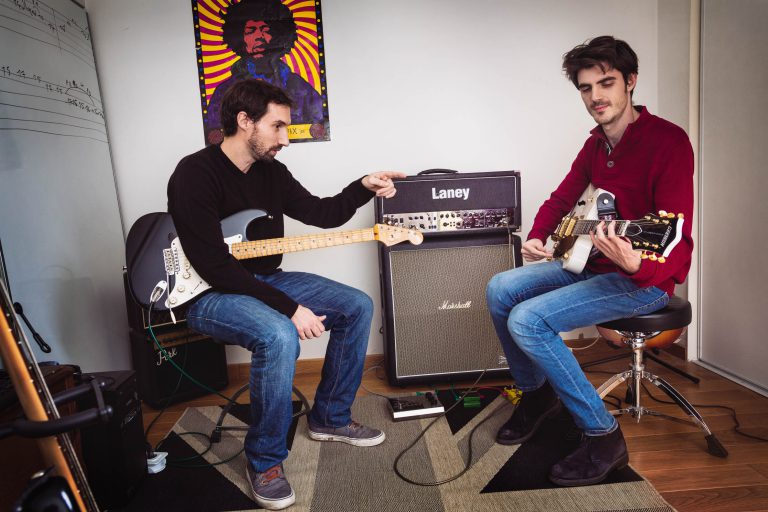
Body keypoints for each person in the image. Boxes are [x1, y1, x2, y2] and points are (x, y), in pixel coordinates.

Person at [168, 79, 404, 510]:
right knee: (279, 334)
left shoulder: (271, 173)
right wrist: (290, 308)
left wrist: (363, 185)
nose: (284, 139)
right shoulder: (194, 174)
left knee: (357, 305)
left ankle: (330, 417)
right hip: (207, 293)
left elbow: (323, 212)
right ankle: (265, 461)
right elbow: (214, 265)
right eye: (277, 127)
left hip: (263, 280)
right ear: (244, 121)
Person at [486, 35, 693, 487]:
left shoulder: (669, 142)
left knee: (527, 320)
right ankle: (537, 395)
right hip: (596, 264)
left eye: (607, 83)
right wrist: (540, 235)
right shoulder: (596, 145)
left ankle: (603, 435)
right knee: (500, 287)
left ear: (630, 82)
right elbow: (562, 197)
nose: (596, 96)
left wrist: (639, 266)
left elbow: (676, 241)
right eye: (585, 88)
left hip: (645, 281)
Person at [205, 0, 325, 144]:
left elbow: (319, 122)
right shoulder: (224, 92)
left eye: (265, 29)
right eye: (250, 31)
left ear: (277, 37)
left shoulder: (300, 87)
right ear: (239, 39)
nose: (259, 36)